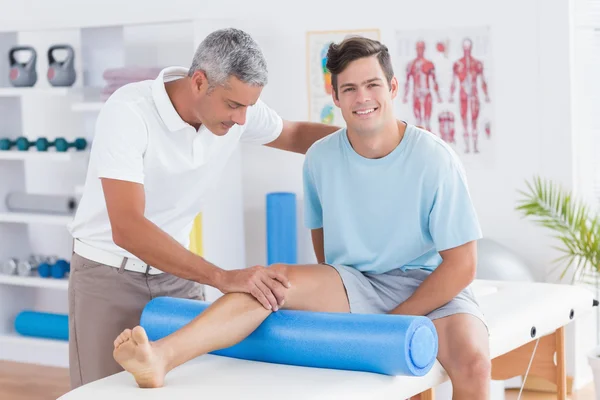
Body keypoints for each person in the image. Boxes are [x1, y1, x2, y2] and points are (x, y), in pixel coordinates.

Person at [111, 36, 491, 400]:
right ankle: (161, 356)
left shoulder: (434, 158)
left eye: (373, 85)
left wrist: (392, 322)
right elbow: (325, 251)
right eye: (350, 89)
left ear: (392, 88)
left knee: (473, 363)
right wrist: (341, 298)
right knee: (271, 282)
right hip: (357, 281)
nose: (362, 98)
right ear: (336, 97)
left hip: (431, 283)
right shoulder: (321, 159)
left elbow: (462, 266)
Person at [66, 28, 340, 389]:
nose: (242, 119)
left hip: (178, 277)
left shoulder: (233, 110)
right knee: (105, 393)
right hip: (109, 276)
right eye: (233, 106)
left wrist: (377, 138)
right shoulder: (128, 113)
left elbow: (294, 134)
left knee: (190, 387)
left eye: (249, 107)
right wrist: (223, 277)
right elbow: (128, 226)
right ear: (198, 82)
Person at [449, 38, 490, 154]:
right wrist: (451, 95)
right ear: (463, 48)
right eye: (465, 48)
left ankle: (475, 147)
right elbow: (454, 81)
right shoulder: (458, 64)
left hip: (474, 94)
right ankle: (467, 147)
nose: (467, 50)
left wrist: (486, 95)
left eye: (468, 48)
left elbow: (482, 81)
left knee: (474, 121)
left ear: (471, 48)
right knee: (464, 122)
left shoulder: (477, 64)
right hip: (463, 95)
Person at [402, 40, 442, 131]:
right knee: (418, 120)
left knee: (427, 121)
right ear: (416, 49)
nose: (420, 50)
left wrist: (438, 96)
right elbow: (407, 82)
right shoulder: (411, 64)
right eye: (418, 48)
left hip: (426, 92)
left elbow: (434, 80)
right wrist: (405, 96)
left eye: (422, 48)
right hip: (416, 93)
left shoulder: (429, 64)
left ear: (424, 49)